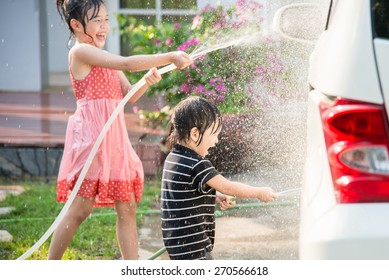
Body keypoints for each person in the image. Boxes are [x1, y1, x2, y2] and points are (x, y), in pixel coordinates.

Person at [48, 0, 193, 260]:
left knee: (127, 206)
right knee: (81, 207)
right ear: (76, 25)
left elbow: (129, 95)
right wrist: (170, 56)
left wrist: (147, 81)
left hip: (113, 138)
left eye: (106, 19)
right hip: (93, 137)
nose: (104, 26)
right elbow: (126, 63)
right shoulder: (81, 52)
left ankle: (131, 268)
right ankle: (50, 267)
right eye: (97, 21)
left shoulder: (104, 56)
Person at [161, 96, 278, 260]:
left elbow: (182, 192)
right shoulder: (198, 164)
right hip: (194, 245)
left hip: (176, 243)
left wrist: (214, 195)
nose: (216, 141)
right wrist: (259, 192)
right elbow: (228, 187)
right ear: (195, 133)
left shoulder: (173, 158)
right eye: (214, 134)